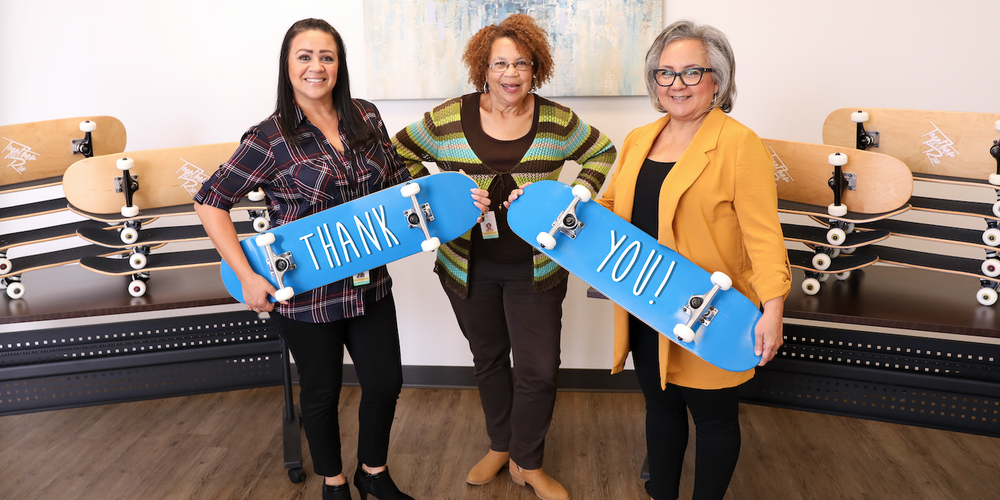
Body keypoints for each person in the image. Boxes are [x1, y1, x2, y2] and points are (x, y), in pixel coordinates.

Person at [195, 18, 486, 500]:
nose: (316, 66)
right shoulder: (268, 138)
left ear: (339, 64)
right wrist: (247, 276)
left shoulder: (365, 116)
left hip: (370, 283)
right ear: (287, 67)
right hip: (306, 295)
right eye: (304, 57)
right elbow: (210, 200)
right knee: (322, 392)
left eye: (326, 57)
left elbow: (397, 185)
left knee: (384, 382)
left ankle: (373, 472)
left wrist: (457, 203)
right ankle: (333, 483)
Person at [515, 20, 790, 500]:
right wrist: (549, 210)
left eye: (691, 72)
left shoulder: (739, 143)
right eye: (665, 73)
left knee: (713, 418)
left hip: (711, 310)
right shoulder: (641, 138)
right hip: (647, 303)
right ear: (653, 82)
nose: (676, 85)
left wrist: (773, 307)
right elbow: (612, 214)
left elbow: (763, 236)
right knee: (660, 408)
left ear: (718, 81)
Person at [392, 13, 616, 500]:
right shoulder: (448, 118)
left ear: (536, 68)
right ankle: (500, 444)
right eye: (500, 64)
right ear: (483, 69)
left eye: (522, 63)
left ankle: (527, 462)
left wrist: (571, 199)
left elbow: (602, 152)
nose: (511, 73)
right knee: (488, 359)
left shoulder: (557, 121)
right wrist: (435, 198)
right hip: (465, 266)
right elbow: (398, 155)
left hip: (537, 267)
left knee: (538, 368)